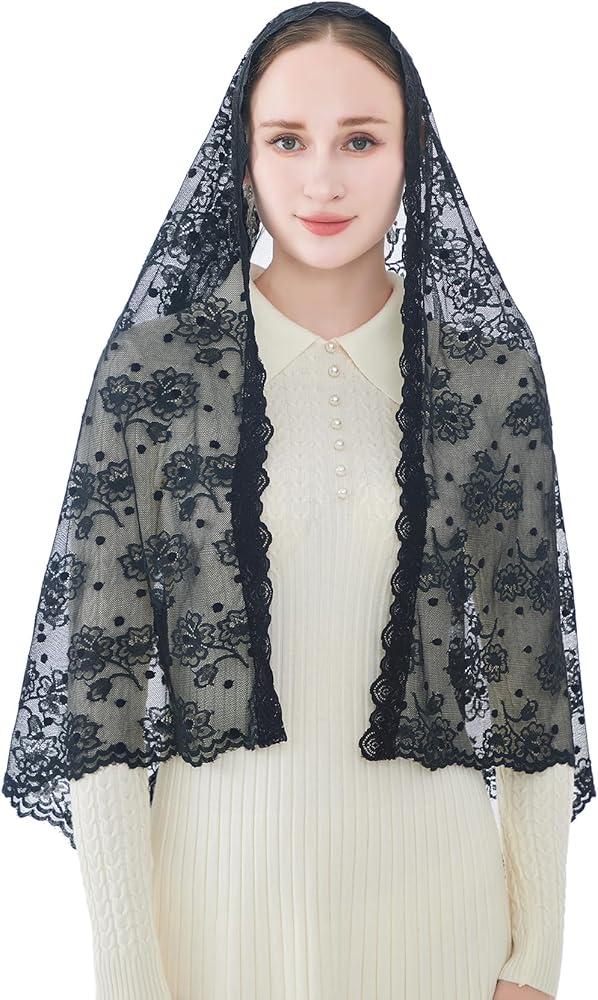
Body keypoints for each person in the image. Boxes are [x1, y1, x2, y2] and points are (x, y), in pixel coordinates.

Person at [3, 4, 593, 999]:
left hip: (439, 921)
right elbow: (100, 700)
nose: (322, 179)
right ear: (243, 156)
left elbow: (532, 687)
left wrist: (536, 958)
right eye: (287, 140)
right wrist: (128, 970)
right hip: (208, 922)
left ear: (412, 153)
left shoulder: (487, 379)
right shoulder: (154, 374)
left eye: (359, 139)